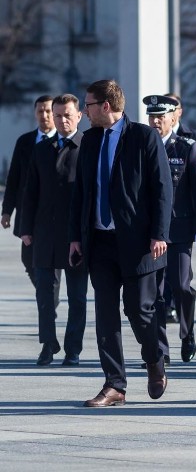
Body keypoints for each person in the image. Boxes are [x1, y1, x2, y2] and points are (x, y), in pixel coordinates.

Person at [69, 79, 173, 407]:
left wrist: (160, 233)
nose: (83, 112)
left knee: (139, 311)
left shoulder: (144, 137)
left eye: (87, 105)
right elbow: (81, 192)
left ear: (105, 106)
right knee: (105, 314)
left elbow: (162, 188)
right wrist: (75, 237)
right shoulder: (89, 141)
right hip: (99, 241)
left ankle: (155, 360)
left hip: (139, 242)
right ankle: (115, 384)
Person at [19, 94, 88, 366]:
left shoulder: (89, 147)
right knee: (45, 295)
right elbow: (30, 192)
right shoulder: (41, 149)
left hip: (76, 236)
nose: (61, 120)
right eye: (57, 115)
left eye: (67, 115)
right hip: (44, 233)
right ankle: (48, 344)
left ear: (79, 115)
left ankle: (73, 349)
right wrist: (26, 229)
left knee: (77, 297)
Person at [145, 95, 196, 364]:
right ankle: (160, 349)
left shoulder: (186, 147)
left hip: (180, 231)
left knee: (182, 286)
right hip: (151, 234)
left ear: (174, 117)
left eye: (161, 116)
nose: (156, 121)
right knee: (155, 293)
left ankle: (188, 333)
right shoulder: (142, 146)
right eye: (152, 116)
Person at [2, 95, 60, 309]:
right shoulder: (25, 142)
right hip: (28, 214)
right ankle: (47, 295)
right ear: (35, 114)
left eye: (48, 111)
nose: (44, 116)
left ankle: (48, 304)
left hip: (53, 216)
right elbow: (14, 179)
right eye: (40, 111)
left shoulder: (63, 142)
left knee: (51, 265)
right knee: (29, 261)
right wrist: (6, 211)